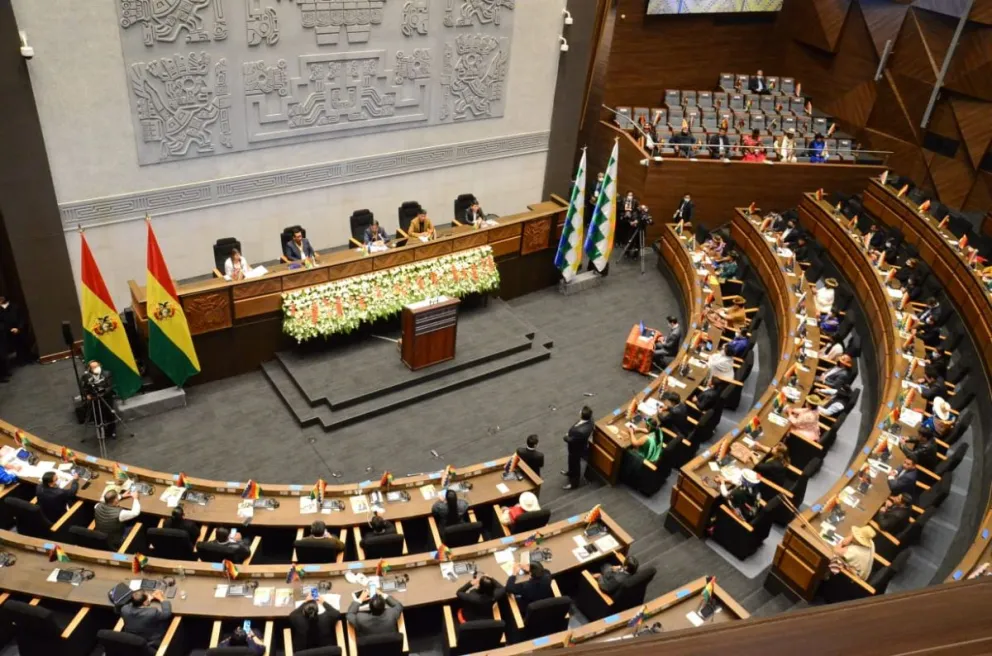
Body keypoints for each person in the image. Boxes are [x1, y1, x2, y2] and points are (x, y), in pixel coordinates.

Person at [81, 359, 117, 438]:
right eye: (94, 367)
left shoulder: (107, 374)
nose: (96, 368)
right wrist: (87, 395)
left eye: (97, 366)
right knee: (97, 416)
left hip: (107, 398)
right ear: (90, 369)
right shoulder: (86, 377)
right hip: (95, 399)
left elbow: (110, 386)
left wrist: (102, 393)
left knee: (110, 415)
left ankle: (112, 431)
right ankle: (101, 432)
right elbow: (84, 388)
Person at [562, 406, 593, 491]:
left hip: (576, 450)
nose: (579, 411)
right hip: (578, 447)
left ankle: (574, 484)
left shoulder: (580, 432)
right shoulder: (589, 421)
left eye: (581, 411)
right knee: (571, 462)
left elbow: (570, 440)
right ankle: (570, 472)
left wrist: (565, 436)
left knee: (575, 465)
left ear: (582, 415)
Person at [0, 295, 27, 380]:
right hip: (4, 332)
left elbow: (21, 318)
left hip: (16, 329)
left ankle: (22, 360)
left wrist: (18, 328)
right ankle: (5, 371)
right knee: (3, 351)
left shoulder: (15, 307)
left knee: (20, 345)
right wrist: (7, 329)